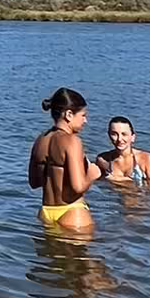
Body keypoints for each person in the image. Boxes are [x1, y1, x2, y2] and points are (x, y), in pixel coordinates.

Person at [28, 87, 102, 232]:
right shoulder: (72, 141)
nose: (85, 120)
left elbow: (34, 183)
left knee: (49, 254)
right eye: (82, 115)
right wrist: (93, 174)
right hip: (72, 213)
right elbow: (78, 186)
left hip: (46, 212)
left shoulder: (40, 140)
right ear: (68, 114)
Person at [96, 115, 150, 183]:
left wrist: (120, 180)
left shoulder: (147, 159)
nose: (119, 139)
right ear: (109, 135)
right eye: (114, 134)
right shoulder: (103, 160)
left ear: (133, 137)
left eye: (124, 134)